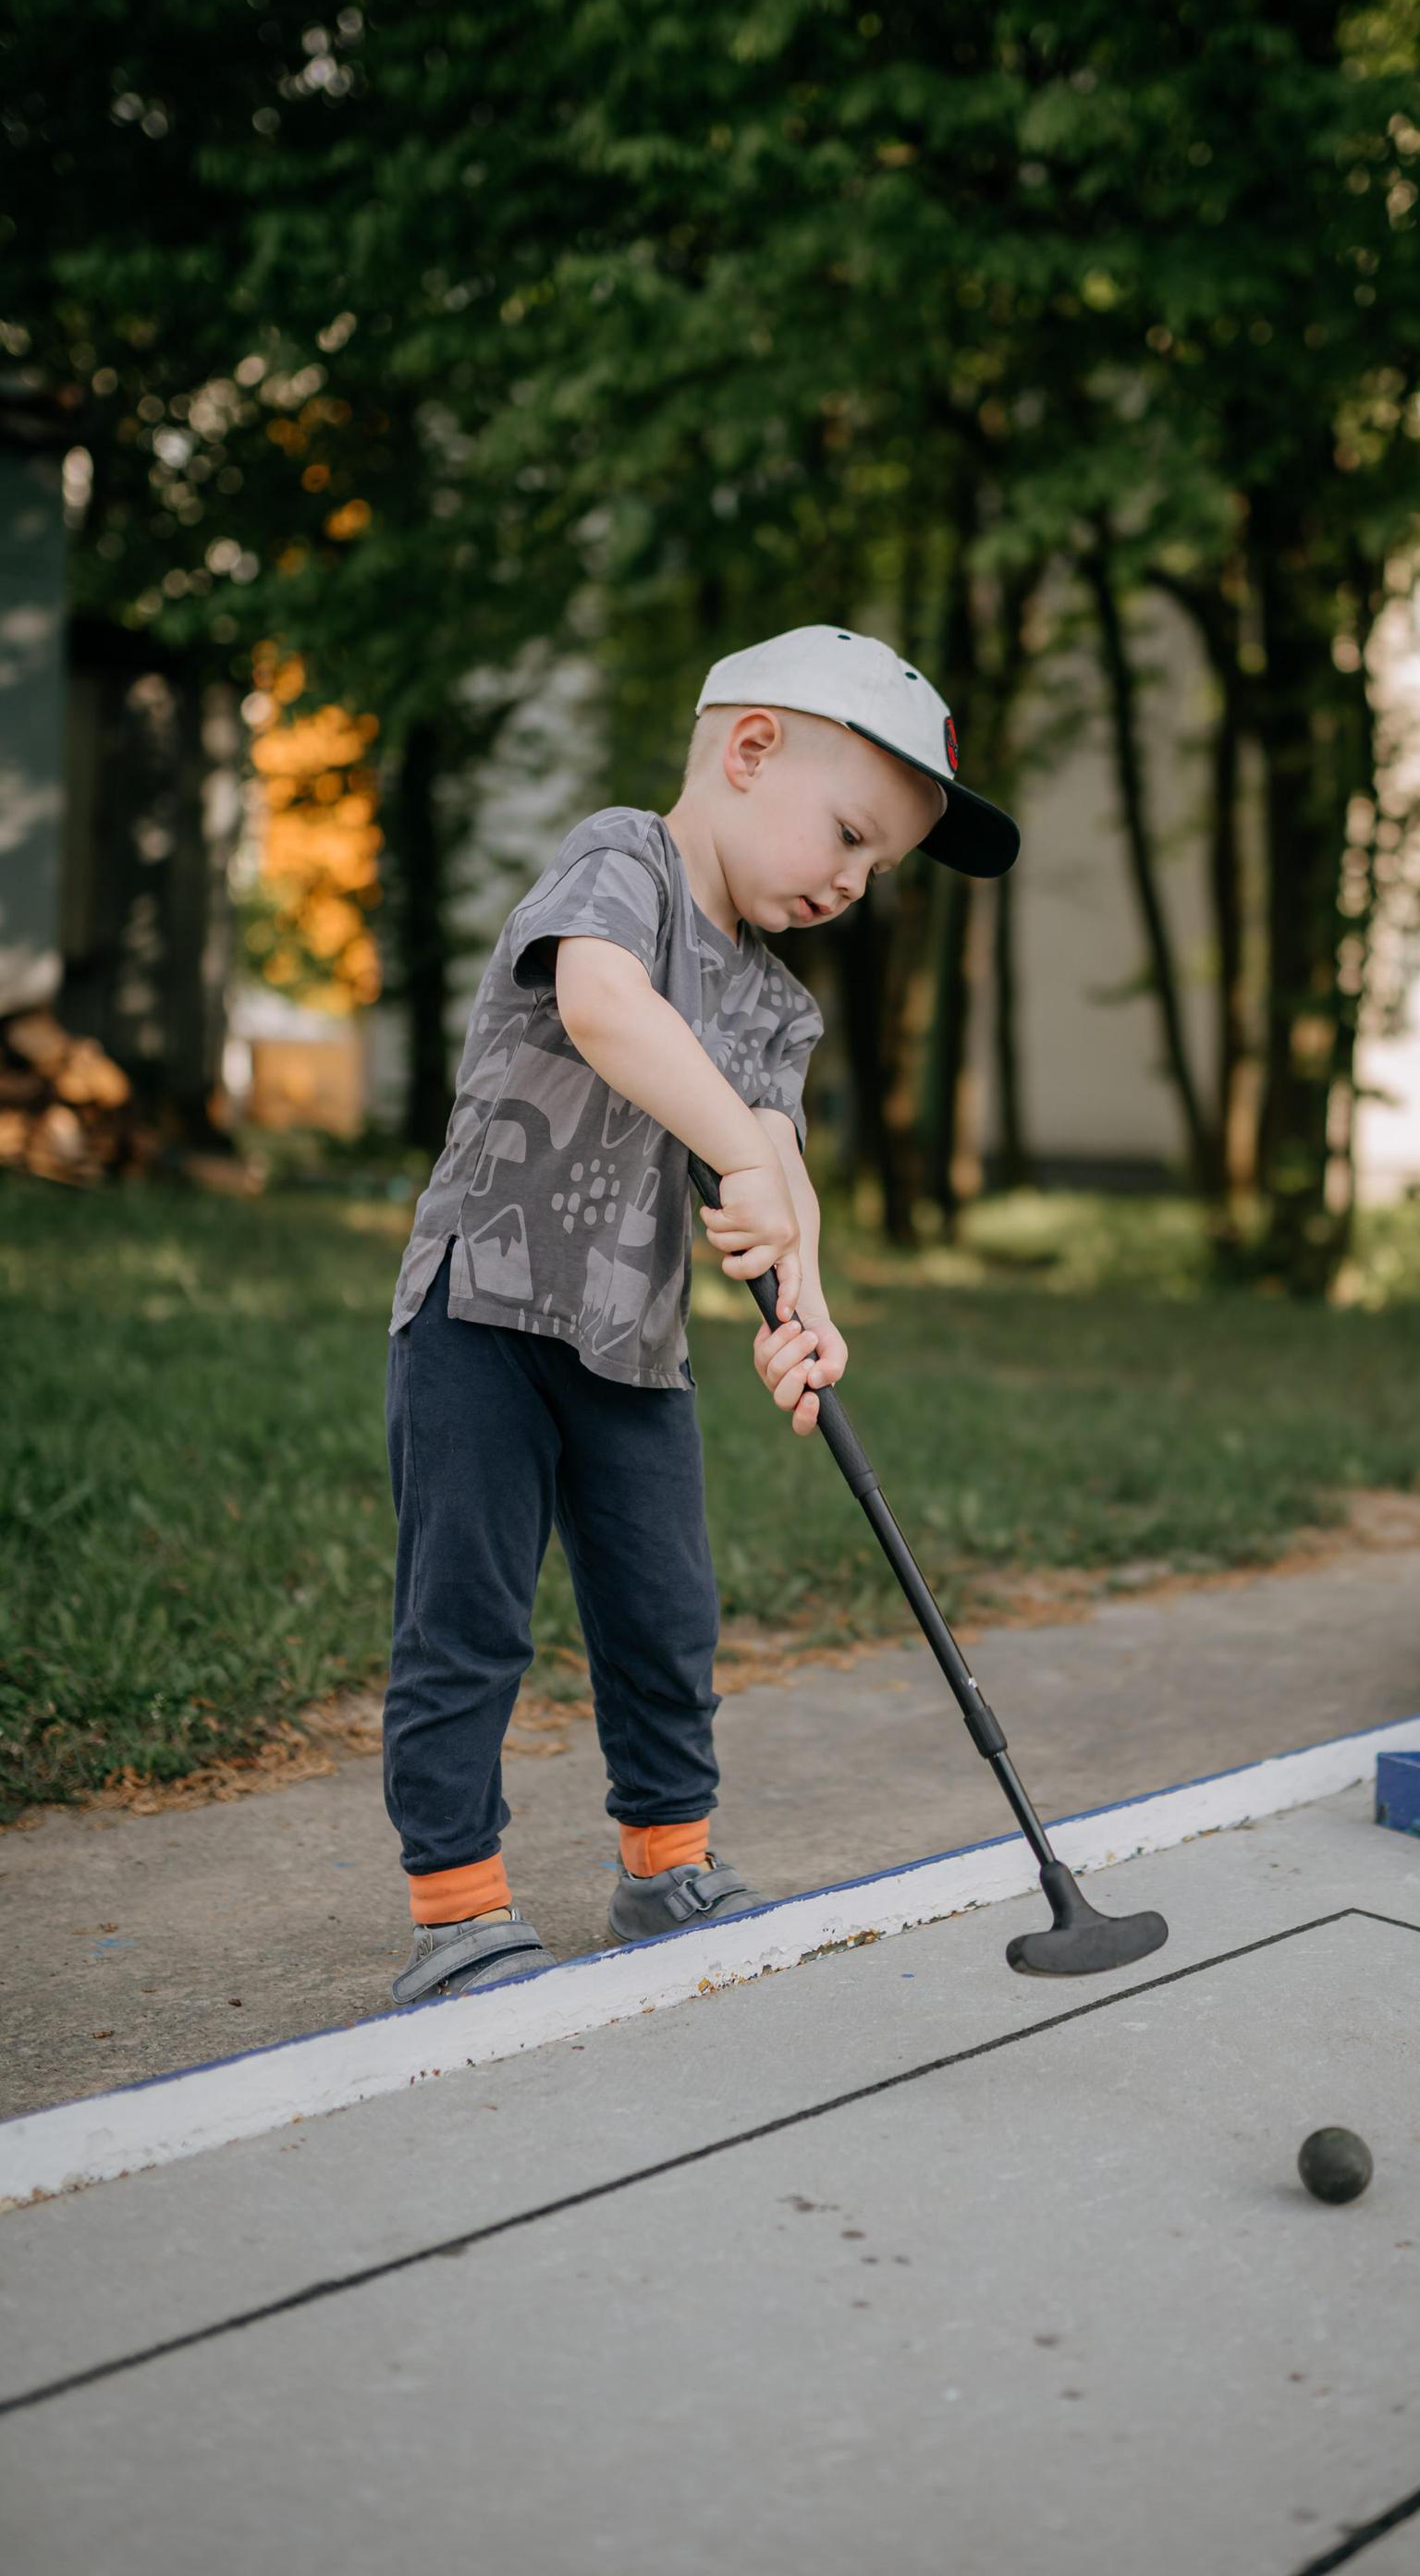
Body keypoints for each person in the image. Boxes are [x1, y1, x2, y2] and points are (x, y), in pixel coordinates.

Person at [380, 624, 1020, 2002]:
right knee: (468, 1617)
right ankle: (458, 1911)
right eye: (848, 835)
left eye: (877, 868)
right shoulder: (622, 862)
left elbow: (776, 1165)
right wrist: (738, 1150)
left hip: (634, 1344)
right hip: (480, 1315)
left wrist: (807, 1303)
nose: (852, 882)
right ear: (749, 750)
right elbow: (605, 1007)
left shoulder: (775, 1005)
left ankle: (667, 1868)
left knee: (667, 1616)